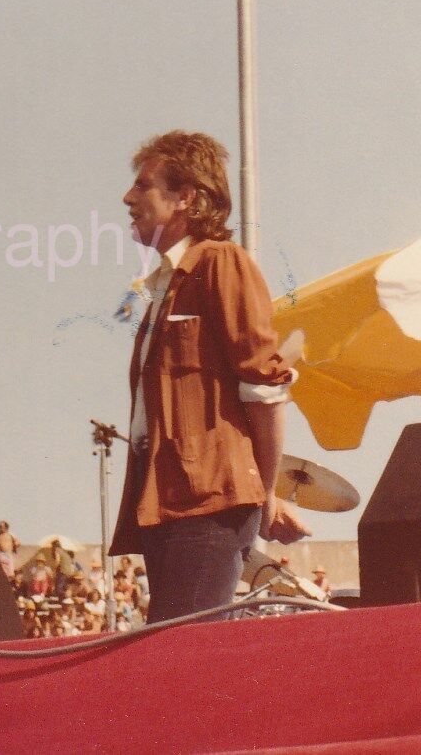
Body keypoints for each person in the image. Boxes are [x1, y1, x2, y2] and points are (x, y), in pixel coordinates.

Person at [109, 131, 309, 624]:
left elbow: (265, 390)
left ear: (186, 197)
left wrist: (262, 492)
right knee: (172, 654)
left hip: (207, 505)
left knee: (180, 660)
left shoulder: (221, 263)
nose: (128, 198)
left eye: (144, 186)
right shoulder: (163, 286)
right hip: (168, 500)